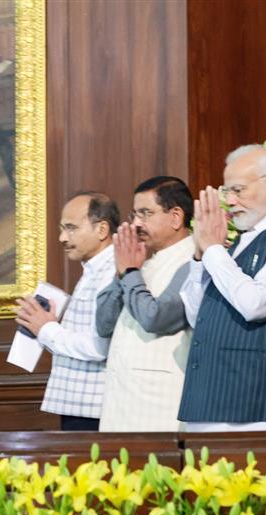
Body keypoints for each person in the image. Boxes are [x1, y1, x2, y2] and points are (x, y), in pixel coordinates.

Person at [178, 145, 266, 431]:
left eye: (238, 190)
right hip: (209, 398)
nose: (230, 201)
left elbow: (257, 304)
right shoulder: (239, 240)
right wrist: (200, 257)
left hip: (253, 402)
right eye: (226, 193)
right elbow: (199, 316)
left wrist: (213, 250)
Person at [96, 176, 195, 431]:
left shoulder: (194, 259)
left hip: (160, 407)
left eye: (146, 213)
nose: (136, 223)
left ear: (176, 217)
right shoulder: (142, 262)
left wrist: (129, 272)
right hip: (122, 404)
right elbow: (103, 324)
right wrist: (122, 274)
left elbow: (157, 318)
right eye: (135, 214)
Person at [15, 191, 119, 431]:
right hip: (83, 405)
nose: (62, 237)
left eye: (71, 228)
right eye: (62, 229)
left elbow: (98, 346)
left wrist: (47, 328)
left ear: (102, 230)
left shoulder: (110, 272)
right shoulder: (94, 269)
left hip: (94, 408)